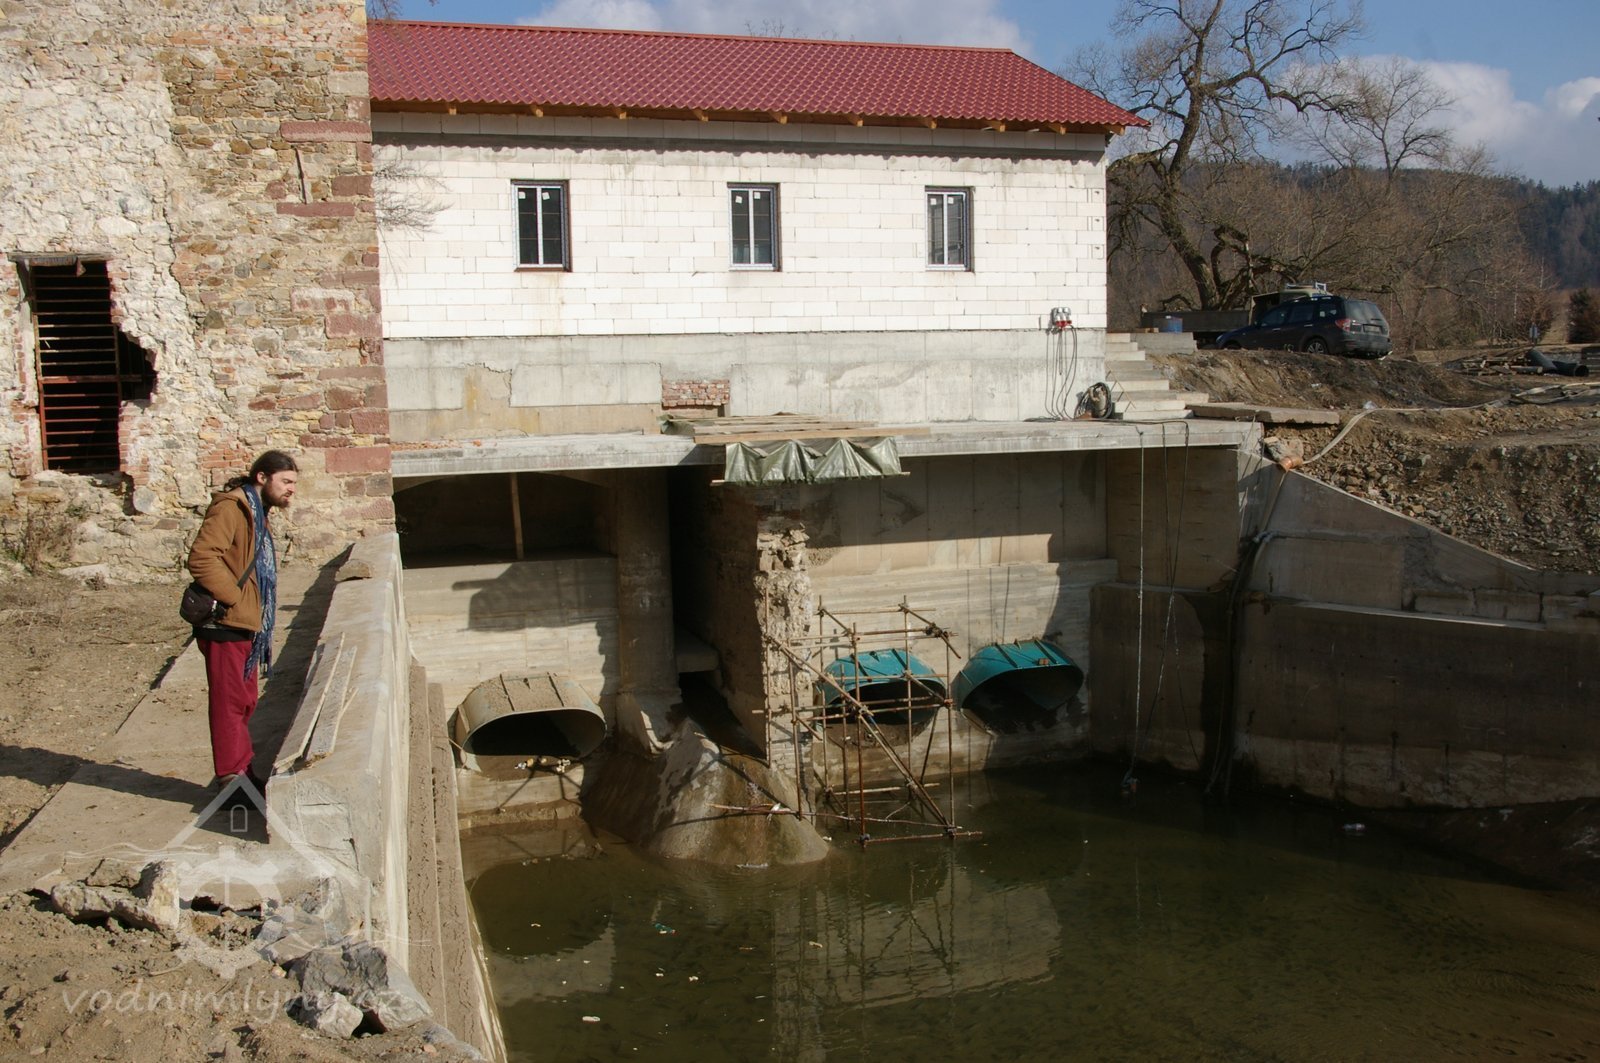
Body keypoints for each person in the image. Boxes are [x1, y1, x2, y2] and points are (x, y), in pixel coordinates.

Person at [186, 450, 298, 799]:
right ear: (262, 477)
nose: (291, 489)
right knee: (230, 703)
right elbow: (202, 557)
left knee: (245, 699)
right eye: (286, 481)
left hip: (245, 622)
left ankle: (244, 773)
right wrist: (234, 597)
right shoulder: (232, 508)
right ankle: (231, 782)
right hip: (225, 622)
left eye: (294, 483)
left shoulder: (255, 509)